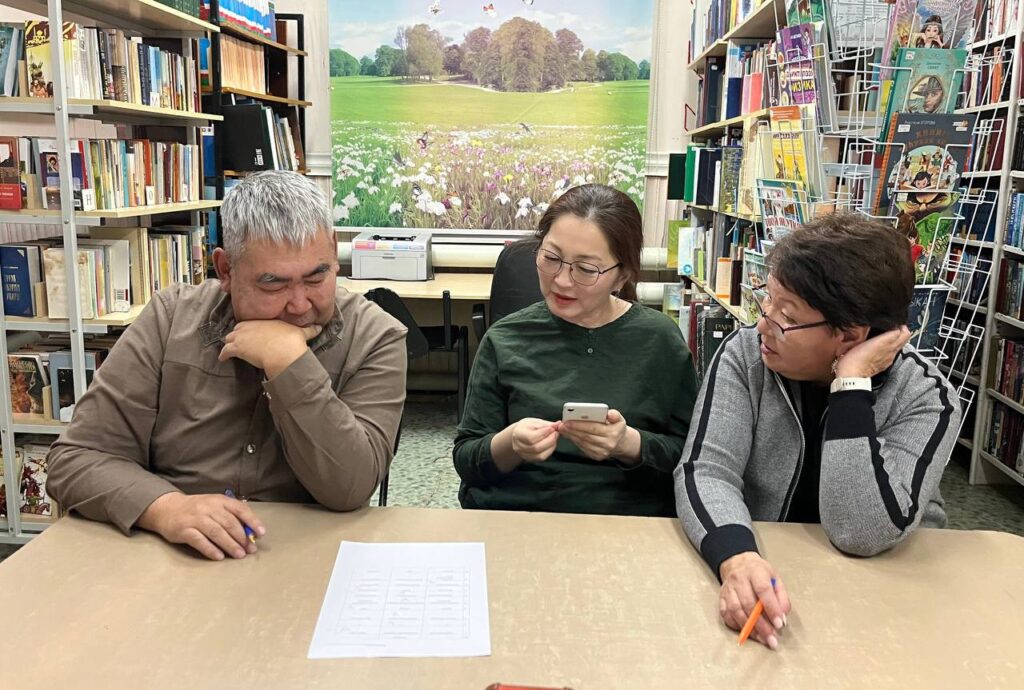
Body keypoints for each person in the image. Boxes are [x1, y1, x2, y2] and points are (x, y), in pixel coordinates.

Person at [47, 170, 408, 561]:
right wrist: (166, 508)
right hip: (169, 557)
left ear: (334, 253)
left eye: (316, 277)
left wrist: (288, 362)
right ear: (225, 270)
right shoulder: (171, 319)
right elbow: (75, 460)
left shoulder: (376, 337)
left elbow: (350, 488)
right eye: (273, 284)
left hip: (304, 558)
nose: (300, 304)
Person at [675, 212, 960, 650]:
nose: (763, 323)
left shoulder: (926, 396)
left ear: (850, 336)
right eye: (767, 301)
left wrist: (851, 385)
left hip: (890, 594)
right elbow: (706, 470)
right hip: (769, 571)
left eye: (786, 315)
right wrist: (736, 557)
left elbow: (861, 533)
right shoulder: (746, 355)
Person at [453, 184, 698, 517]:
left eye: (586, 269)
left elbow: (693, 460)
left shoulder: (660, 340)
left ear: (622, 276)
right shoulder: (505, 338)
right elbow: (467, 460)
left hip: (627, 522)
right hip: (517, 516)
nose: (562, 280)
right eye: (551, 258)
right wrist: (510, 444)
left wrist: (629, 444)